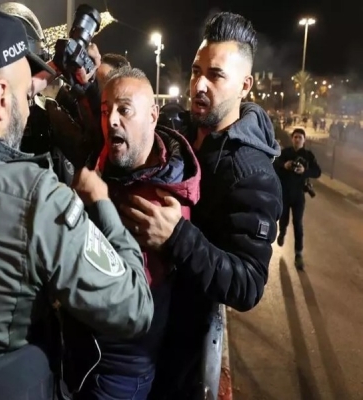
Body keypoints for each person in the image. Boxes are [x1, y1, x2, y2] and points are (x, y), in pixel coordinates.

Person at [0, 2, 154, 398]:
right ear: (1, 96)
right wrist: (104, 204)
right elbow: (136, 307)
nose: (29, 104)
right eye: (25, 93)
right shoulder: (35, 198)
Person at [134, 12, 282, 398]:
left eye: (215, 75)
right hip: (142, 326)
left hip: (179, 358)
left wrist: (178, 237)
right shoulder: (182, 132)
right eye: (196, 71)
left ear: (245, 85)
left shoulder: (252, 174)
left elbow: (248, 283)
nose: (198, 84)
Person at [74, 66, 201, 400]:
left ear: (153, 116)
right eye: (105, 111)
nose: (111, 120)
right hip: (83, 352)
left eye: (124, 110)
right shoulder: (106, 162)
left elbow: (127, 297)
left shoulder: (162, 205)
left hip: (121, 368)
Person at [274, 128, 321, 269]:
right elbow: (274, 165)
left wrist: (304, 171)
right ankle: (282, 233)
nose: (297, 139)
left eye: (300, 137)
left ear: (304, 140)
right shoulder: (285, 153)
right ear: (292, 138)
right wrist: (284, 165)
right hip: (285, 194)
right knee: (283, 220)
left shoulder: (308, 155)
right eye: (295, 137)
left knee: (298, 224)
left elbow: (318, 171)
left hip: (299, 196)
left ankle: (298, 254)